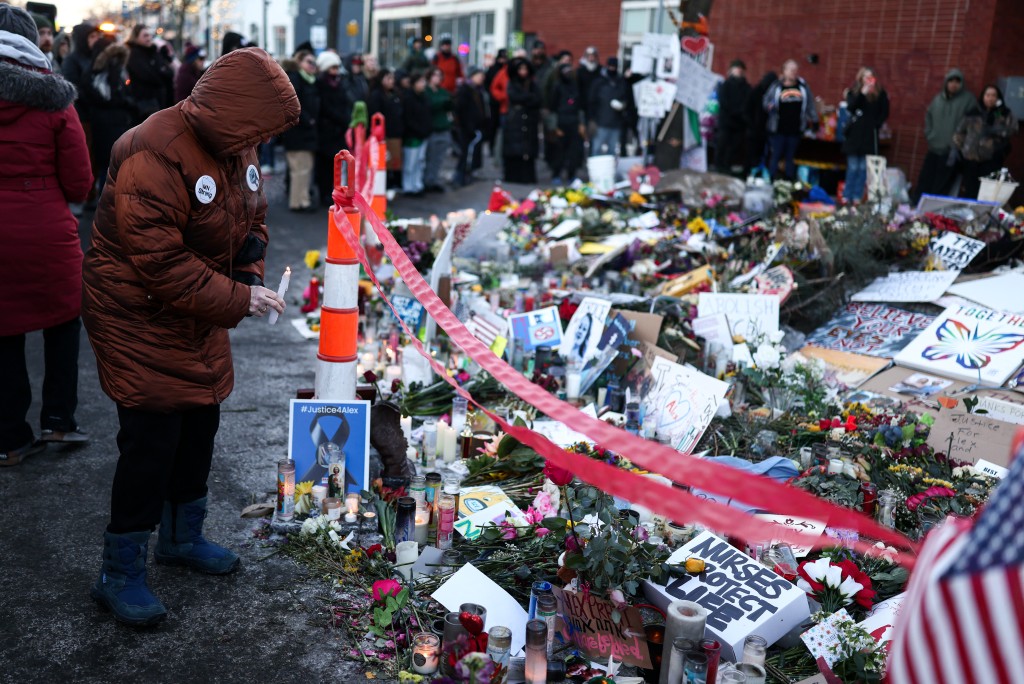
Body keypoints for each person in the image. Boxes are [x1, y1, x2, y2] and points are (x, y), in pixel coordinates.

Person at [82, 47, 298, 627]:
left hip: (196, 309)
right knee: (152, 436)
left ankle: (182, 537)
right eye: (259, 131)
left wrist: (249, 272)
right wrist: (238, 299)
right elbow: (160, 265)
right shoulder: (151, 151)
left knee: (201, 420)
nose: (260, 144)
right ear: (233, 112)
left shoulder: (236, 141)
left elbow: (252, 218)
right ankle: (120, 570)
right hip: (137, 311)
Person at [0, 5, 93, 466]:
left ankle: (9, 437)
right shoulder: (55, 98)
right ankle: (58, 420)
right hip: (45, 229)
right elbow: (79, 181)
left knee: (3, 333)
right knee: (62, 322)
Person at [914, 69, 976, 201]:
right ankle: (916, 206)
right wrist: (930, 135)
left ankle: (932, 212)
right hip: (934, 147)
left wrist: (960, 143)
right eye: (951, 81)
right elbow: (928, 118)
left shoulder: (968, 100)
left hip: (952, 151)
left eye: (957, 82)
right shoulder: (938, 99)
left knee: (942, 184)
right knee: (925, 179)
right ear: (946, 82)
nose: (954, 84)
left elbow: (974, 124)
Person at [84, 40, 136, 193]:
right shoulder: (97, 73)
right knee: (107, 170)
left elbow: (126, 92)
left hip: (119, 124)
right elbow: (106, 98)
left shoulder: (118, 70)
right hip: (105, 125)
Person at [954, 84, 1019, 200]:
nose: (990, 98)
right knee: (970, 191)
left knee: (986, 193)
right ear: (983, 96)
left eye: (994, 95)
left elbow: (1013, 129)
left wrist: (998, 133)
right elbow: (959, 133)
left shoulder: (1002, 113)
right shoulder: (973, 113)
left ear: (998, 98)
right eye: (988, 95)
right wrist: (964, 148)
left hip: (991, 159)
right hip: (971, 159)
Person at [841, 67, 889, 203]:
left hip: (869, 134)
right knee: (853, 166)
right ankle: (847, 195)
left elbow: (884, 112)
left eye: (871, 77)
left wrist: (876, 124)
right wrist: (863, 93)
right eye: (865, 77)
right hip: (855, 134)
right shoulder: (854, 92)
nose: (868, 80)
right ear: (860, 79)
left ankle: (857, 195)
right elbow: (851, 107)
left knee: (863, 168)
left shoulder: (880, 94)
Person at [762, 59, 817, 180]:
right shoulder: (777, 86)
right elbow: (766, 101)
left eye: (795, 70)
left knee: (790, 157)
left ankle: (788, 182)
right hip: (778, 128)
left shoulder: (802, 87)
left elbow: (810, 105)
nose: (793, 72)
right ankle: (771, 180)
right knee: (775, 155)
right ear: (784, 71)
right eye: (791, 69)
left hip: (795, 128)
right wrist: (769, 107)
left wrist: (814, 120)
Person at [281, 50, 319, 212]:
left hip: (306, 132)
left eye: (314, 63)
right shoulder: (296, 79)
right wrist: (308, 119)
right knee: (299, 169)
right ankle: (298, 202)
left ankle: (303, 199)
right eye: (309, 62)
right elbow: (294, 105)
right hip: (297, 133)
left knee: (305, 168)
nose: (313, 66)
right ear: (300, 63)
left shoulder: (310, 81)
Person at [314, 50, 349, 207]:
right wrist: (340, 118)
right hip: (326, 130)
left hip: (338, 130)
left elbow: (344, 102)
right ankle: (324, 194)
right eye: (333, 67)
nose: (336, 71)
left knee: (336, 164)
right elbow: (324, 107)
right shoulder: (321, 84)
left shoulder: (339, 83)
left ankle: (334, 192)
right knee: (325, 166)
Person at [502, 57, 541, 183]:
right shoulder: (513, 83)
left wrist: (526, 99)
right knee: (514, 150)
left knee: (528, 149)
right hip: (515, 121)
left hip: (529, 120)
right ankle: (513, 176)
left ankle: (527, 177)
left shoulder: (532, 84)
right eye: (520, 69)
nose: (523, 72)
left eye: (525, 69)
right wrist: (528, 99)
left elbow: (538, 99)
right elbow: (514, 97)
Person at [125, 25, 173, 123]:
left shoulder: (153, 52)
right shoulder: (134, 55)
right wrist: (161, 73)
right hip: (144, 105)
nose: (149, 38)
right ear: (136, 37)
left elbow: (169, 72)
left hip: (158, 102)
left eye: (149, 35)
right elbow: (148, 75)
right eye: (145, 36)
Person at [548, 63, 585, 184]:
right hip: (561, 122)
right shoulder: (557, 86)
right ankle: (556, 174)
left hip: (573, 122)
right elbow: (552, 108)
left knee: (573, 151)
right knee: (559, 152)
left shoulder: (575, 86)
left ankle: (571, 175)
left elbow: (579, 106)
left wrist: (581, 123)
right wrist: (554, 127)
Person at [368, 69, 404, 187]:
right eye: (388, 78)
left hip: (395, 133)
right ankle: (383, 186)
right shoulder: (376, 95)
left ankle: (392, 183)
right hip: (382, 134)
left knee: (394, 161)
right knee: (383, 162)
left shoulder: (395, 94)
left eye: (392, 78)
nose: (391, 81)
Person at [714, 59, 751, 174]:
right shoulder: (725, 85)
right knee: (722, 144)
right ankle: (718, 166)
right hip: (726, 121)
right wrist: (736, 112)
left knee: (734, 147)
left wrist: (741, 114)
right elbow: (724, 102)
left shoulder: (747, 87)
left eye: (740, 69)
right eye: (736, 68)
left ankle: (727, 166)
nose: (738, 71)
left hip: (739, 123)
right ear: (731, 70)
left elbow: (748, 103)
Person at [453, 67, 489, 186]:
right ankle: (459, 177)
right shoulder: (465, 90)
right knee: (465, 152)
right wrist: (467, 125)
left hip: (476, 127)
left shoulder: (479, 90)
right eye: (479, 76)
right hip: (467, 128)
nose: (481, 78)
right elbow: (460, 110)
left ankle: (468, 173)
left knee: (472, 152)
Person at [588, 56, 628, 157]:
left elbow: (625, 98)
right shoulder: (599, 82)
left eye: (614, 66)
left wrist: (622, 105)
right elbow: (592, 101)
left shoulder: (620, 81)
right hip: (600, 121)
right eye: (610, 66)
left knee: (612, 149)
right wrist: (592, 119)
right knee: (597, 148)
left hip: (615, 121)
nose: (612, 69)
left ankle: (609, 170)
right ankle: (595, 171)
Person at [401, 71, 431, 196]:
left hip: (423, 135)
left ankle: (417, 185)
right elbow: (408, 118)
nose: (423, 84)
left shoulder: (424, 97)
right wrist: (418, 129)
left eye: (424, 81)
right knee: (410, 163)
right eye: (420, 82)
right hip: (412, 136)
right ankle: (408, 186)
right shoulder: (408, 98)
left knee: (420, 161)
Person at [423, 67, 453, 192]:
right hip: (432, 129)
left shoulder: (443, 91)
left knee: (440, 158)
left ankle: (435, 180)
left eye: (440, 75)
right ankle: (427, 181)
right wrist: (442, 102)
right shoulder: (426, 92)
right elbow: (431, 104)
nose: (438, 78)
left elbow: (449, 102)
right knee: (429, 157)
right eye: (435, 75)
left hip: (444, 128)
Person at [744, 71, 776, 172]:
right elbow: (747, 110)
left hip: (763, 130)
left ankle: (754, 172)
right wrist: (751, 124)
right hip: (754, 129)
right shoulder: (756, 92)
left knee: (759, 153)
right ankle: (748, 172)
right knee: (751, 153)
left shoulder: (770, 95)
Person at [576, 46, 600, 125]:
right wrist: (571, 102)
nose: (591, 57)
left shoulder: (600, 71)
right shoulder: (580, 71)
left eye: (593, 55)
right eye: (588, 55)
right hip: (582, 105)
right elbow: (575, 89)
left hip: (597, 105)